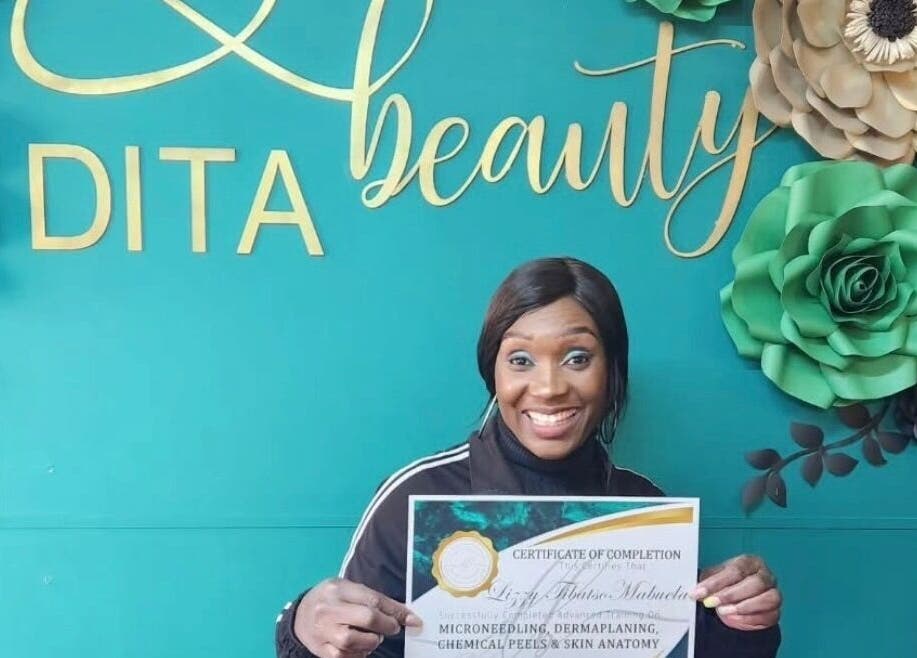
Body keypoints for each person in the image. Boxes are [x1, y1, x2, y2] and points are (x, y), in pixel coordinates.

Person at [276, 257, 782, 658]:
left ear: (612, 371)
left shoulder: (643, 507)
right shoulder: (415, 498)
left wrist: (745, 624)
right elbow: (349, 647)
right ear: (493, 372)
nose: (549, 387)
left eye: (578, 357)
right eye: (520, 359)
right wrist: (304, 628)